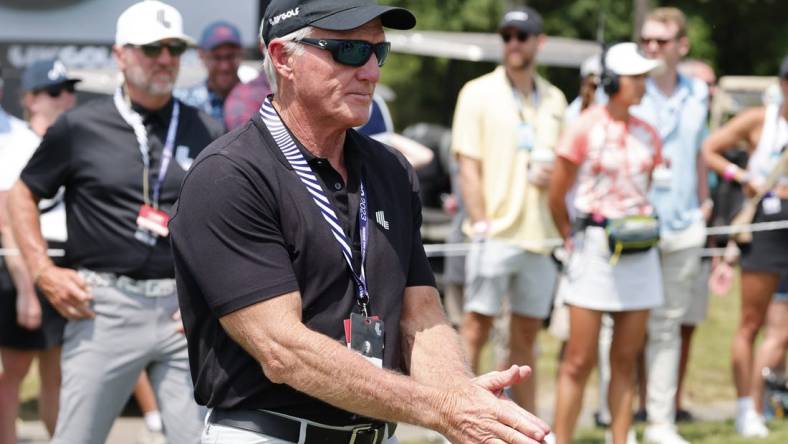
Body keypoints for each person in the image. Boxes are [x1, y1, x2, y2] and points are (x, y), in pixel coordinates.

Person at [170, 1, 551, 443]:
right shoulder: (229, 174)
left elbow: (422, 317)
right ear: (281, 57)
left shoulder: (390, 169)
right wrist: (442, 408)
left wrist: (465, 399)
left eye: (378, 52)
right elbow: (284, 351)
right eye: (348, 51)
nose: (371, 71)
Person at [6, 2, 224, 443]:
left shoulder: (209, 128)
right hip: (104, 305)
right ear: (121, 54)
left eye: (174, 48)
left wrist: (215, 298)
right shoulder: (79, 126)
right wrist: (43, 272)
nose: (165, 59)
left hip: (183, 311)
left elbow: (230, 222)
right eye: (151, 48)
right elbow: (21, 194)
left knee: (202, 440)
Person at [451, 5, 567, 413]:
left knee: (526, 339)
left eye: (522, 35)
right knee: (475, 328)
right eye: (507, 36)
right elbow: (468, 165)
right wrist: (480, 221)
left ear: (540, 42)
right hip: (493, 232)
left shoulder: (555, 98)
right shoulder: (477, 91)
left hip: (538, 235)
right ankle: (459, 416)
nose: (513, 43)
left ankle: (524, 423)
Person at [549, 42, 663, 444]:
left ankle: (620, 438)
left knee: (626, 360)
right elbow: (557, 190)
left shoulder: (649, 132)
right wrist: (570, 233)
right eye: (636, 77)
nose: (643, 83)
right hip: (594, 248)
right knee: (578, 360)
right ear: (613, 81)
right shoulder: (583, 125)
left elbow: (647, 186)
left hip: (639, 249)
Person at [630, 8, 712, 443]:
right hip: (633, 226)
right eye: (647, 40)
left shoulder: (699, 93)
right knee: (625, 328)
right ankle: (618, 421)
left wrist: (703, 203)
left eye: (662, 41)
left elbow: (699, 151)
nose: (652, 48)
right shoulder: (629, 88)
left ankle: (661, 422)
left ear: (682, 45)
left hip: (683, 225)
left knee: (667, 326)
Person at [702, 54, 788, 438]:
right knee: (750, 323)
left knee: (782, 330)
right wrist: (742, 177)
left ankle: (765, 403)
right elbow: (711, 149)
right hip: (766, 226)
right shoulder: (759, 120)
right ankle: (745, 408)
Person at [0, 58, 76, 443]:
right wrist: (27, 289)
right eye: (55, 91)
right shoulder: (13, 144)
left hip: (69, 264)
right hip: (24, 265)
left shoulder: (76, 140)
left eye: (69, 89)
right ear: (30, 99)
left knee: (59, 371)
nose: (66, 98)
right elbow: (6, 221)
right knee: (12, 370)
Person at [675, 57, 718, 422]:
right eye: (703, 83)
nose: (710, 90)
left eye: (713, 84)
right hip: (664, 234)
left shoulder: (702, 124)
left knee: (687, 323)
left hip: (698, 232)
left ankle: (672, 403)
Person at [177, 20, 244, 124]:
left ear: (241, 54)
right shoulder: (185, 103)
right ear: (201, 55)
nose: (224, 67)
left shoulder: (258, 101)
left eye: (230, 56)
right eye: (217, 57)